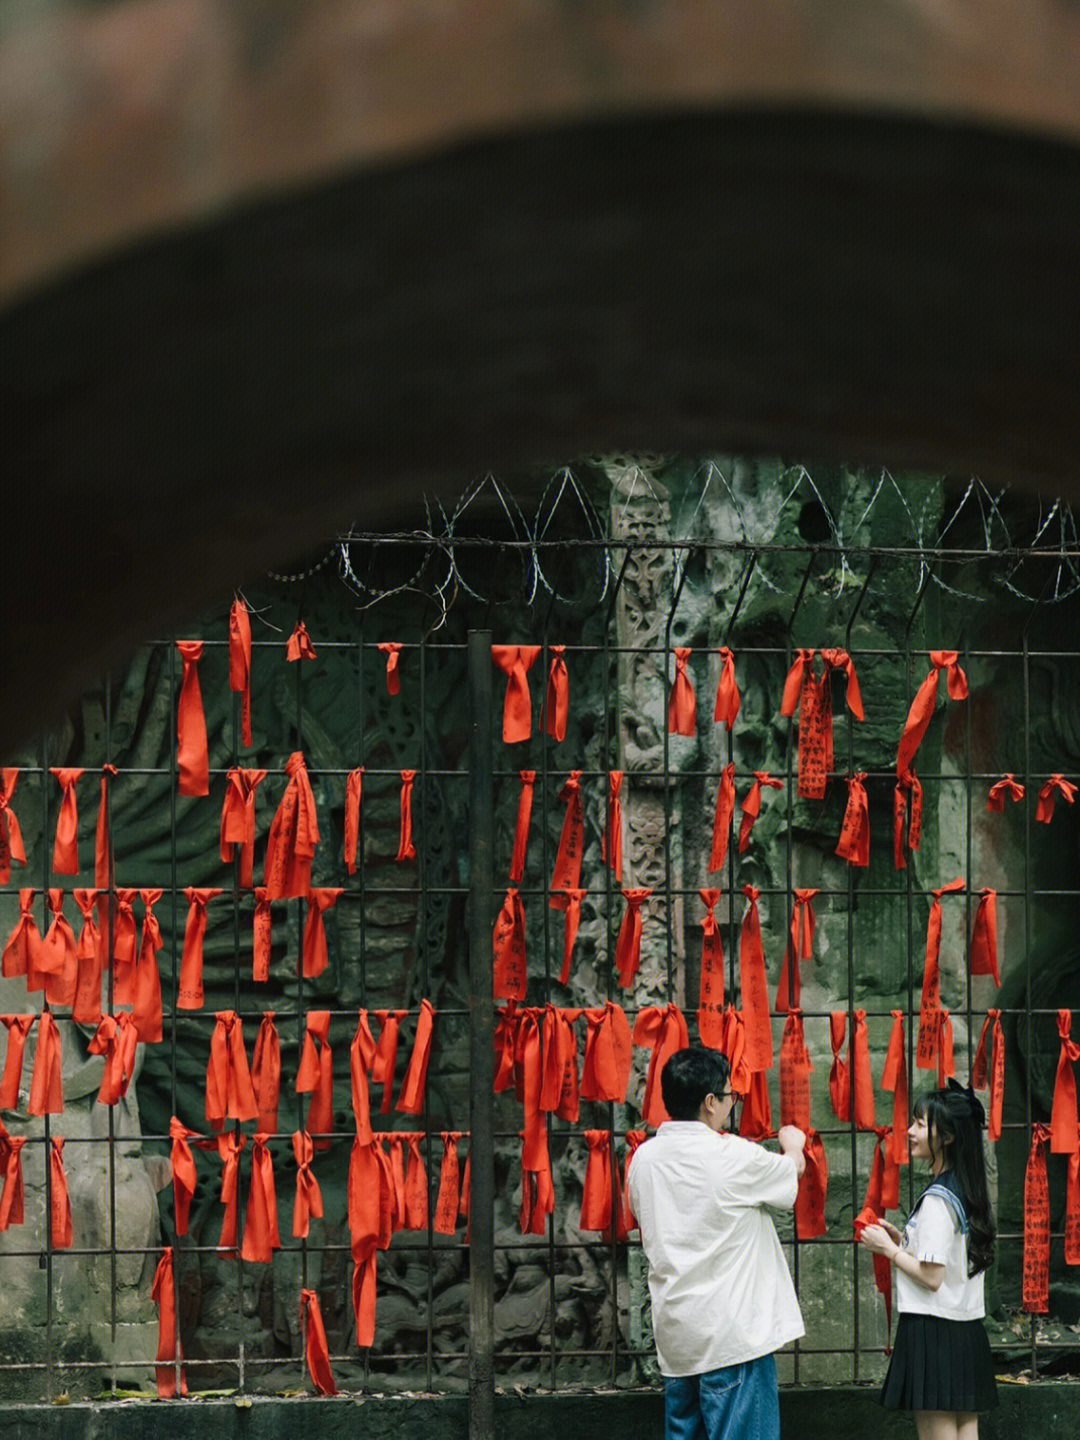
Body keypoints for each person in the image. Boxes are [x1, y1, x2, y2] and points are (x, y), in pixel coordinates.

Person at [626, 1045, 807, 1440]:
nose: (731, 1104)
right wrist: (794, 1144)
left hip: (678, 1342)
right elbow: (789, 1177)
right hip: (733, 1339)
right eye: (729, 1096)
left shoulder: (644, 1159)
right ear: (710, 1102)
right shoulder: (731, 1155)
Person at [859, 1080, 999, 1440]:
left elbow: (932, 1276)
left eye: (921, 1124)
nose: (910, 1131)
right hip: (964, 1326)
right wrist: (902, 1243)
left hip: (933, 1331)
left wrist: (889, 1252)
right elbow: (944, 1265)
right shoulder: (965, 1189)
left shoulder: (938, 1200)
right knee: (966, 1430)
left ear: (948, 1137)